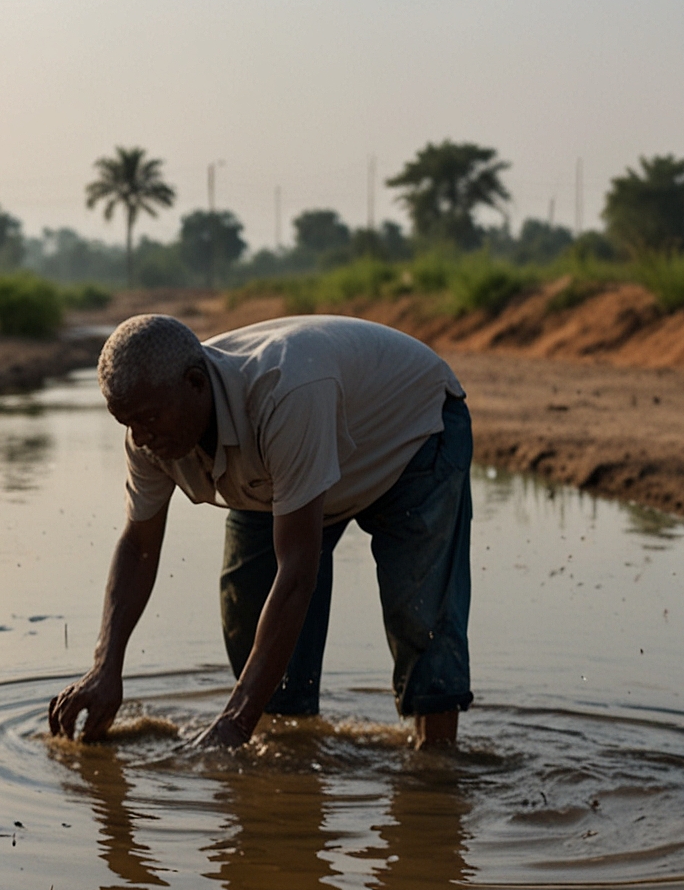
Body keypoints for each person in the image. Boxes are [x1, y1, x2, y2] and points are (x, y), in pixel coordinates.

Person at [47, 313, 473, 750]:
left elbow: (297, 574)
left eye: (150, 418)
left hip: (408, 433)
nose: (140, 436)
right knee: (249, 599)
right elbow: (139, 547)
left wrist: (233, 720)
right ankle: (292, 746)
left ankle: (435, 765)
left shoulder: (285, 393)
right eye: (127, 423)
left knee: (420, 611)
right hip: (284, 468)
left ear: (196, 383)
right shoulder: (148, 430)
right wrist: (105, 667)